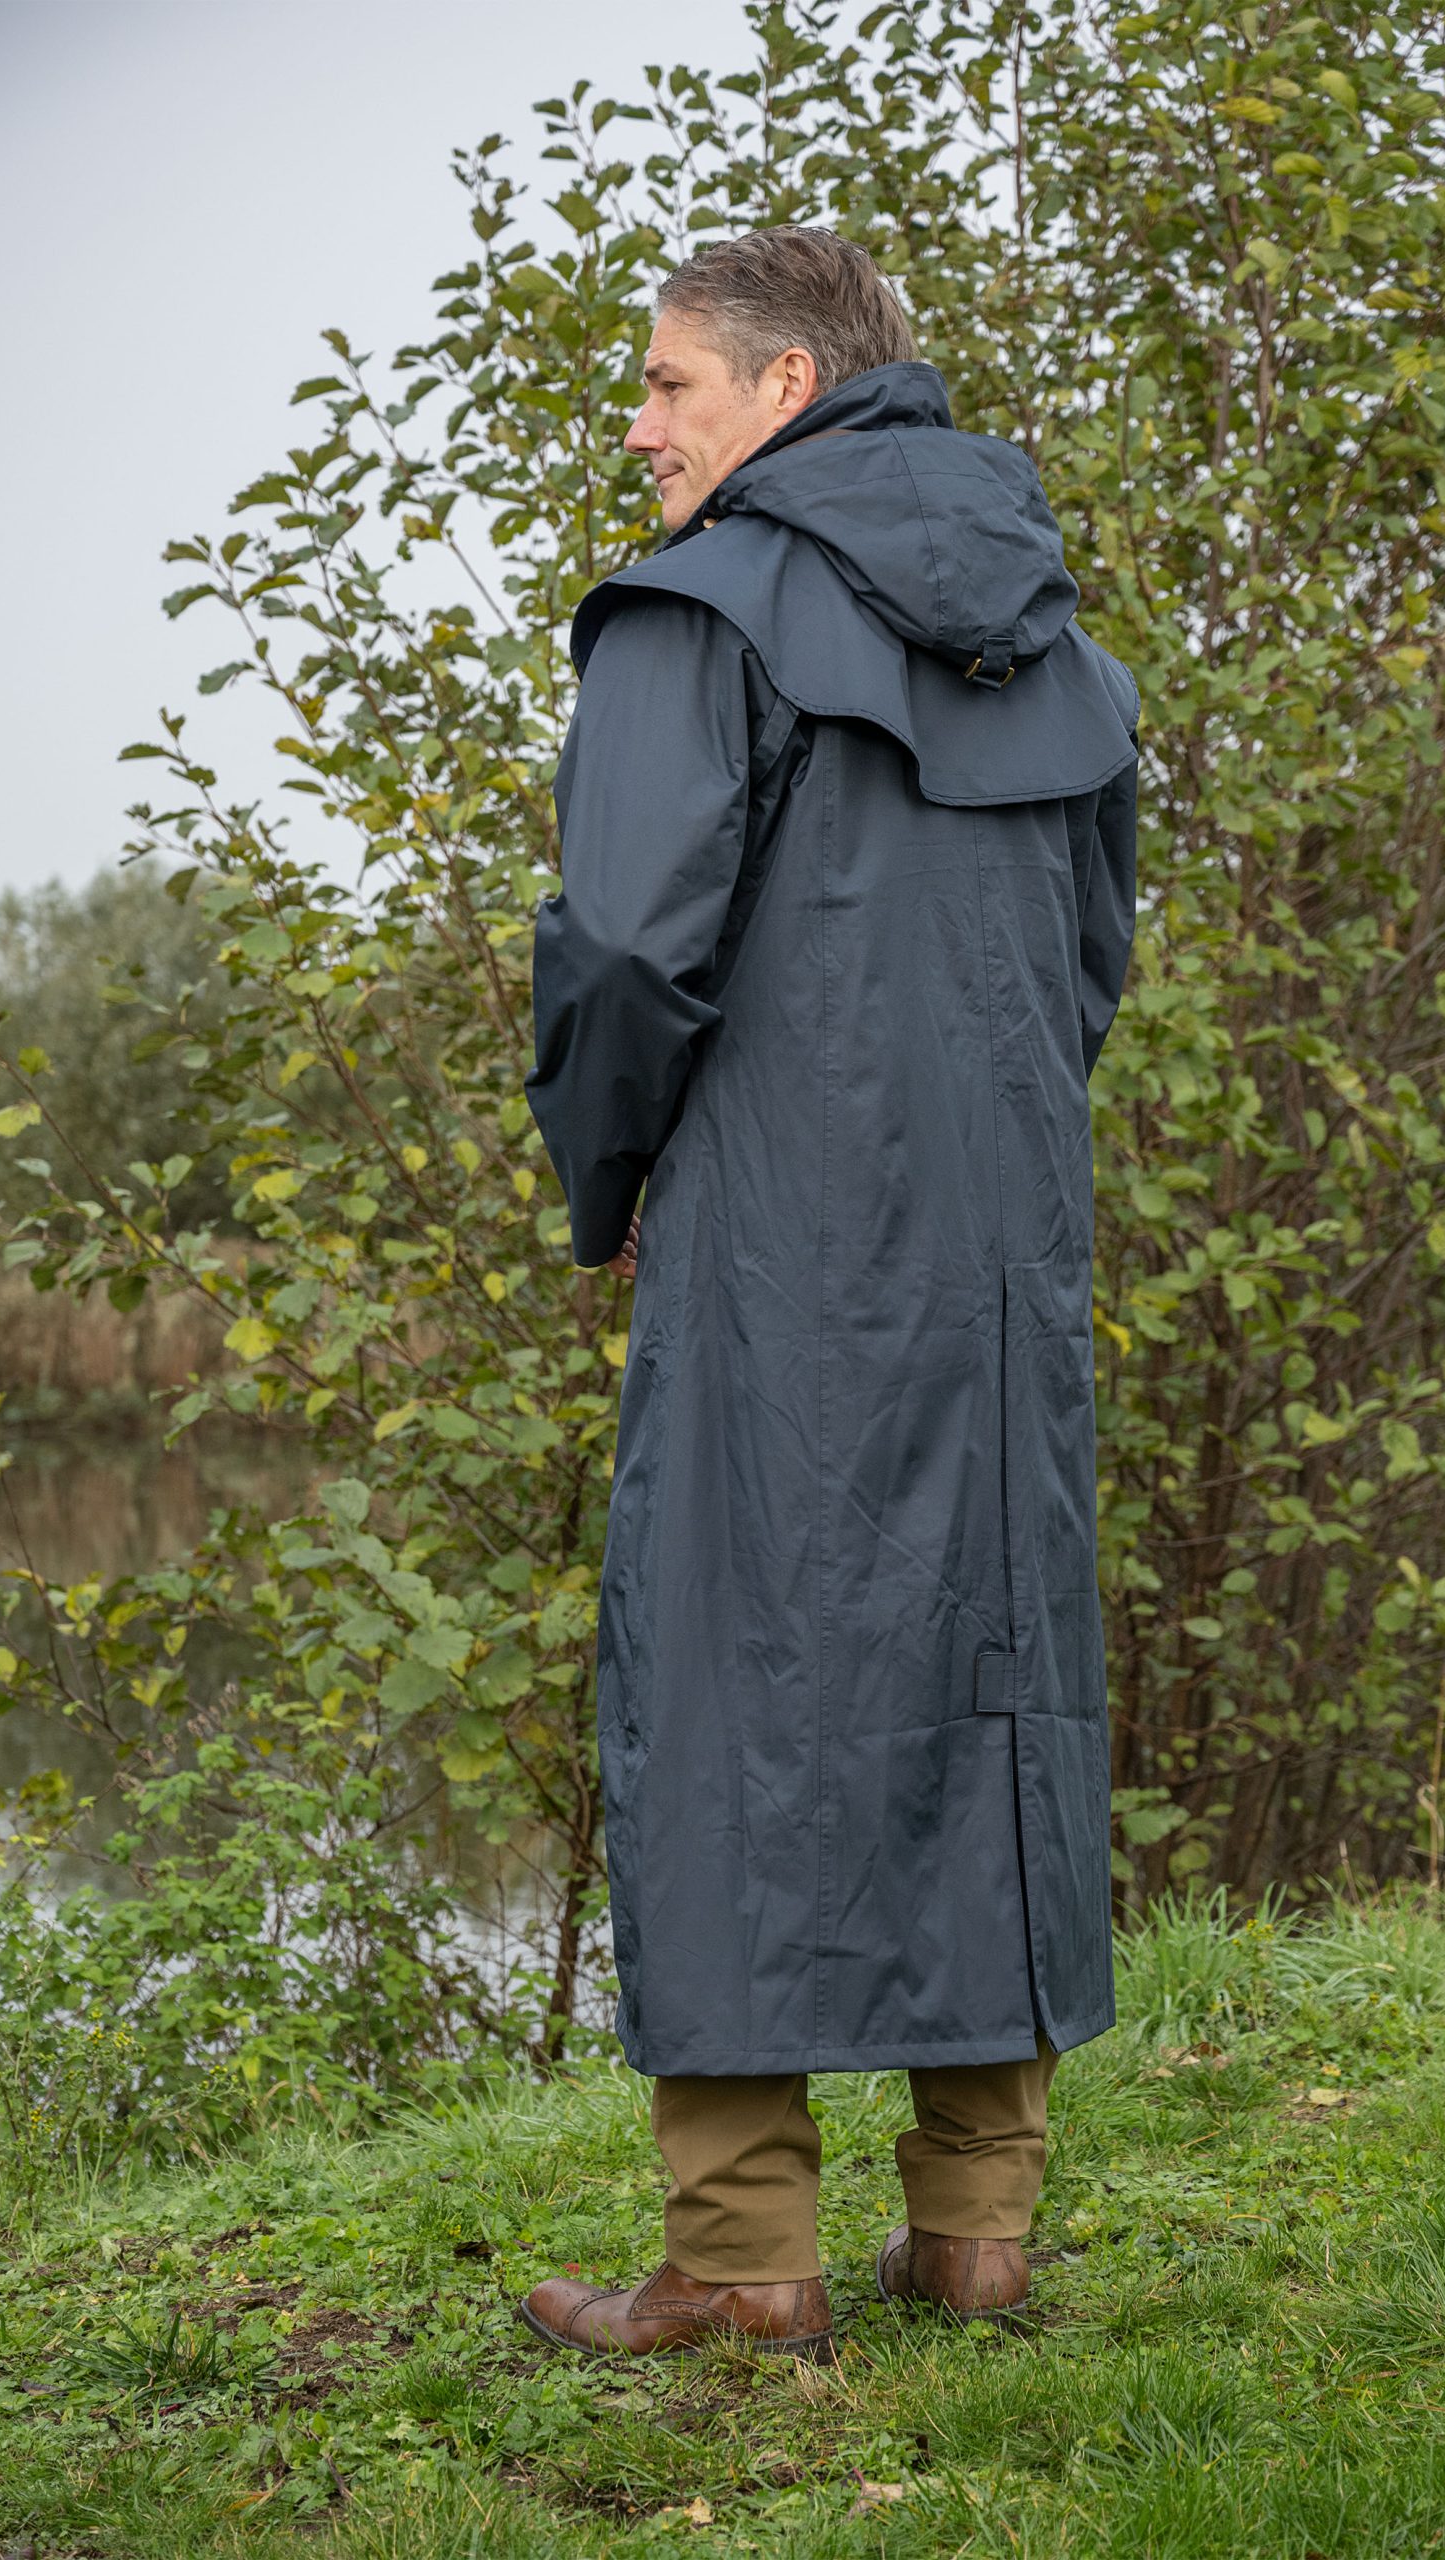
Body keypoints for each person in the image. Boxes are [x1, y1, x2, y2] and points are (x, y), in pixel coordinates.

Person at [520, 226, 1138, 2363]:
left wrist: (608, 1178)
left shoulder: (696, 613)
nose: (641, 423)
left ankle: (739, 2256)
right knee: (992, 1658)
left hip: (773, 1236)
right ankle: (974, 2226)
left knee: (725, 1675)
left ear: (785, 388)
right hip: (1001, 1257)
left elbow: (624, 950)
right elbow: (1087, 957)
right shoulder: (1054, 647)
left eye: (667, 380)